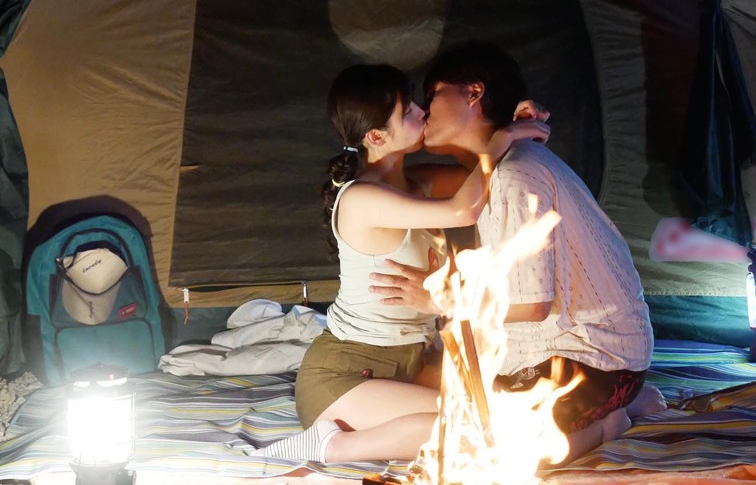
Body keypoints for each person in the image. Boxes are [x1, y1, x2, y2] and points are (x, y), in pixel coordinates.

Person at [369, 41, 665, 463]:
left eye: (433, 95)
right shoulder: (500, 166)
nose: (425, 111)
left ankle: (610, 421)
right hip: (600, 358)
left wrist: (439, 298)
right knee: (427, 388)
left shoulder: (515, 174)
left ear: (474, 93)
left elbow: (531, 304)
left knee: (487, 454)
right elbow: (396, 182)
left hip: (593, 362)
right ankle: (624, 402)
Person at [263, 63, 550, 463]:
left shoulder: (420, 182)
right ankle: (330, 446)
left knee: (518, 414)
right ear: (376, 136)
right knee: (474, 427)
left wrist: (517, 124)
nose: (422, 111)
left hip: (411, 363)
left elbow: (495, 176)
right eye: (408, 110)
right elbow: (464, 209)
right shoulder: (360, 198)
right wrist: (504, 136)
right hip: (345, 377)